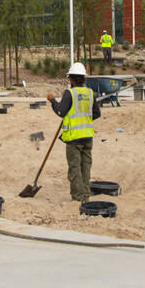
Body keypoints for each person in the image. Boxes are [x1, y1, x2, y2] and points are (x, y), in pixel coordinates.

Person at [48, 62, 101, 202]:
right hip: (88, 137)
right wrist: (84, 118)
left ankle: (78, 198)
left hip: (73, 139)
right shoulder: (90, 93)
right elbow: (96, 114)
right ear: (84, 78)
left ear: (71, 79)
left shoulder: (70, 93)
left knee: (75, 169)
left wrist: (52, 100)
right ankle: (85, 195)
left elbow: (60, 111)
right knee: (86, 167)